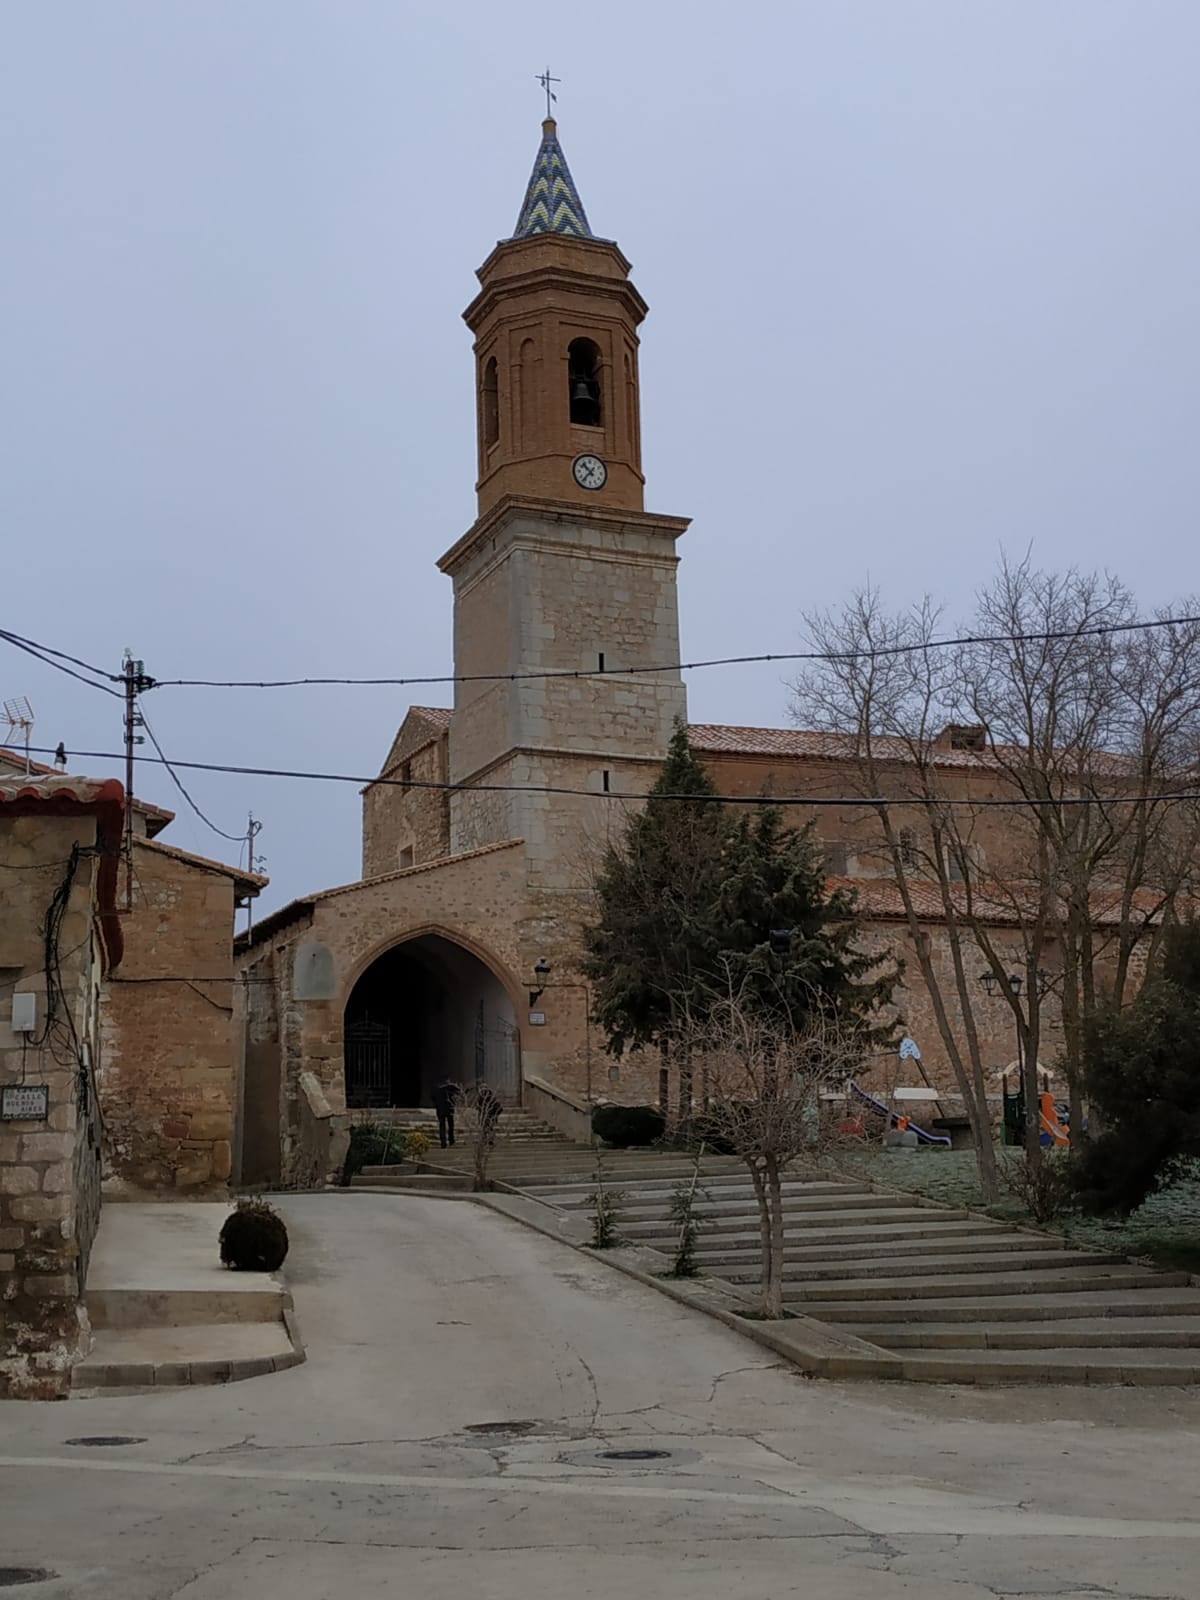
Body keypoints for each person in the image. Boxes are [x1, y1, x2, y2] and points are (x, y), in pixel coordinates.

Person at [431, 1080, 459, 1148]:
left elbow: (433, 1098)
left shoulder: (437, 1090)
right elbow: (458, 1093)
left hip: (440, 1110)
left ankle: (443, 1143)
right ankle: (451, 1141)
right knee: (451, 1126)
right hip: (449, 1109)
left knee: (442, 1127)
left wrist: (437, 1105)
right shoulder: (450, 1088)